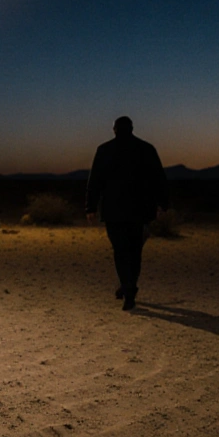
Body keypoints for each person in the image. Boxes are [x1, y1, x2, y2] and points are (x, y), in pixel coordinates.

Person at [85, 116, 169, 310]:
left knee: (121, 250)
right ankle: (128, 286)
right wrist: (163, 204)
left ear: (114, 129)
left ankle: (127, 287)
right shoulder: (146, 149)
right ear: (132, 128)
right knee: (134, 250)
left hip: (114, 210)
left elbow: (95, 181)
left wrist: (90, 207)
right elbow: (159, 179)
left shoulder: (104, 150)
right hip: (140, 209)